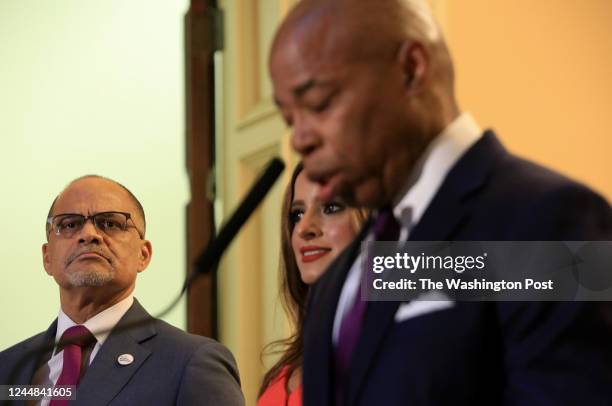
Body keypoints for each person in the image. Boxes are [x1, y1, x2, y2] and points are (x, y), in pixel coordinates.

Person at [268, 1, 612, 405]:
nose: (299, 140)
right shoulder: (341, 281)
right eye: (291, 119)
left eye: (320, 103)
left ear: (412, 68)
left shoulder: (545, 222)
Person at [0, 175, 245, 405]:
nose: (88, 234)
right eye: (70, 224)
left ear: (143, 254)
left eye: (110, 223)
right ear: (47, 258)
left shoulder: (191, 362)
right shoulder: (7, 367)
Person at [257, 164, 367, 406]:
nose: (304, 228)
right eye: (297, 214)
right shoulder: (283, 371)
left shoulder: (397, 344)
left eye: (331, 207)